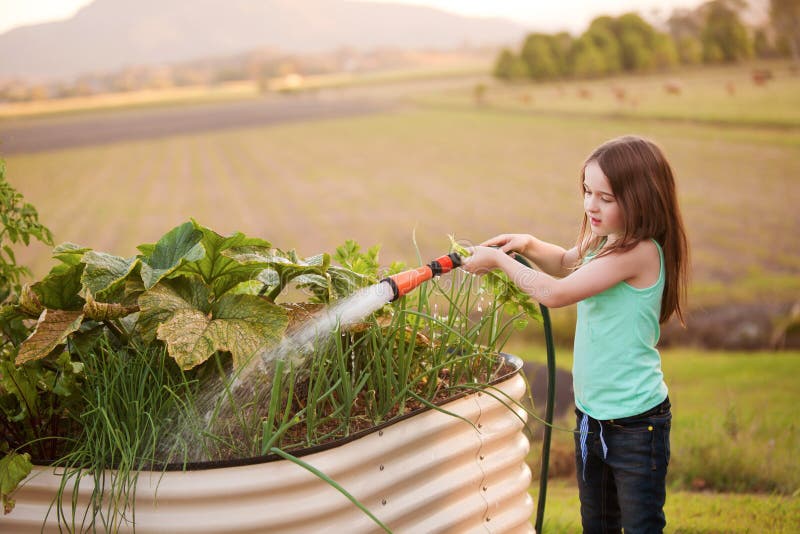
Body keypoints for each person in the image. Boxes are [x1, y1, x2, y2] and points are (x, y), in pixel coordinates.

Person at [461, 135, 689, 533]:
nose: (590, 205)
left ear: (640, 198)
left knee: (641, 525)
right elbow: (567, 263)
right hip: (592, 417)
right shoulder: (604, 242)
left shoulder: (639, 253)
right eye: (587, 191)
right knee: (597, 523)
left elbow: (556, 292)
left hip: (636, 424)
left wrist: (498, 261)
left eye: (606, 197)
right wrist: (528, 244)